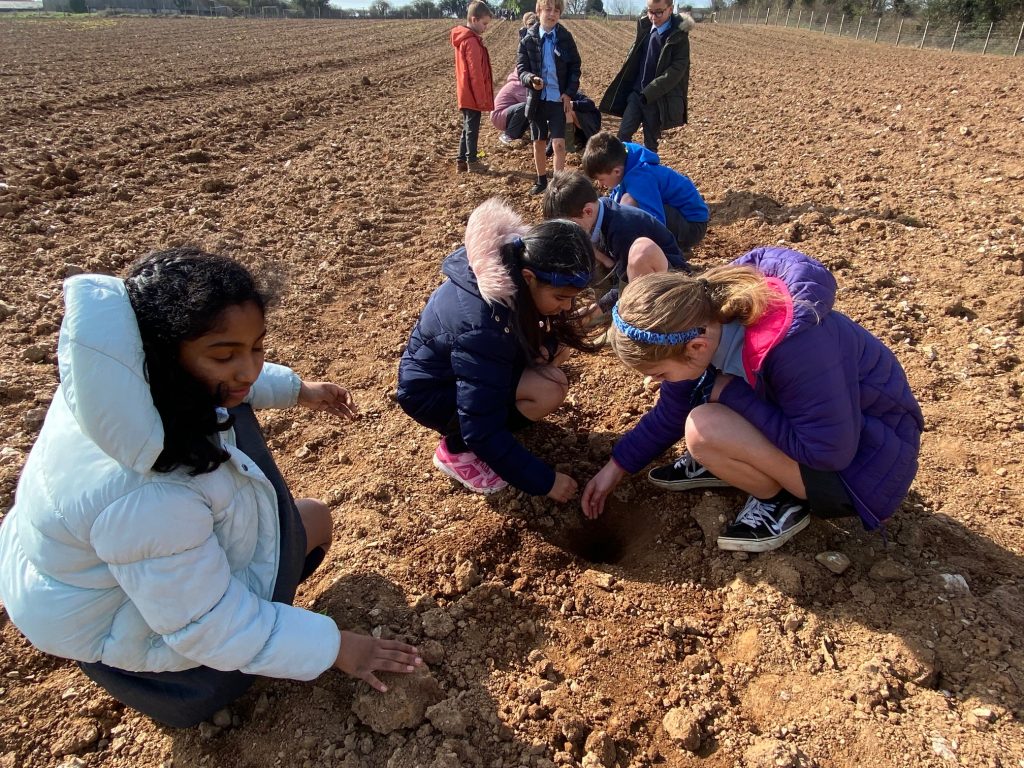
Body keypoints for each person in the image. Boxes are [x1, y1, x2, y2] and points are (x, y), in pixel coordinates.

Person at [0, 250, 422, 728]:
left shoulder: (117, 388)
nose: (248, 371)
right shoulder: (147, 494)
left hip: (95, 584)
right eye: (225, 356)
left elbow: (233, 372)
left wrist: (298, 390)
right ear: (163, 352)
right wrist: (338, 647)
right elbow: (209, 629)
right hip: (117, 627)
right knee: (231, 663)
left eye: (257, 348)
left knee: (311, 518)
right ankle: (173, 691)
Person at [582, 247, 923, 553]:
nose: (655, 383)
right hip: (829, 433)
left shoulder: (796, 349)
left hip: (862, 472)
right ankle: (733, 457)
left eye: (661, 375)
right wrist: (618, 466)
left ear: (696, 349)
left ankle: (779, 502)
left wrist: (730, 393)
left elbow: (828, 452)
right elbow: (673, 409)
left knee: (705, 428)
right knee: (701, 412)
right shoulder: (701, 320)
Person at [397, 198, 595, 501]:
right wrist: (544, 481)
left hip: (469, 370)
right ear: (529, 278)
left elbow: (526, 334)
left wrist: (548, 346)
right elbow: (479, 425)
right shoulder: (482, 324)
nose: (566, 307)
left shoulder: (514, 271)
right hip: (432, 392)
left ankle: (503, 430)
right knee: (550, 386)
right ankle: (456, 452)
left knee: (555, 355)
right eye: (560, 298)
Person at [542, 170, 688, 314]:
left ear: (587, 211)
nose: (568, 233)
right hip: (624, 266)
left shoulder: (622, 230)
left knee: (623, 298)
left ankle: (628, 317)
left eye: (571, 225)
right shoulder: (600, 209)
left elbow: (626, 285)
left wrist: (592, 313)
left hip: (671, 280)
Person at [583, 131, 708, 255]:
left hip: (693, 225)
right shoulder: (625, 155)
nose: (600, 184)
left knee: (628, 203)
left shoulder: (640, 179)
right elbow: (616, 196)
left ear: (616, 171)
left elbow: (655, 221)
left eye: (601, 179)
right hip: (678, 215)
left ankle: (673, 251)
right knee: (623, 205)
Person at [599, 2, 694, 153]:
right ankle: (625, 173)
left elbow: (675, 72)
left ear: (670, 10)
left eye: (658, 12)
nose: (653, 16)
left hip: (656, 100)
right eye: (650, 11)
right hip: (636, 95)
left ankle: (649, 174)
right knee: (622, 137)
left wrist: (650, 92)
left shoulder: (678, 37)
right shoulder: (645, 28)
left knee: (650, 144)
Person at [516, 0, 582, 195]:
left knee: (559, 144)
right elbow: (521, 69)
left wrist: (569, 92)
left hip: (558, 100)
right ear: (538, 11)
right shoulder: (528, 39)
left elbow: (575, 67)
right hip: (537, 100)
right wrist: (531, 79)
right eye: (548, 9)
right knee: (538, 141)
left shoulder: (565, 38)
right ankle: (541, 180)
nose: (552, 14)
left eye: (556, 10)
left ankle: (558, 185)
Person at [452, 1, 495, 173]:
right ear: (474, 19)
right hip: (472, 93)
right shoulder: (470, 42)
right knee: (472, 129)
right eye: (484, 23)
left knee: (467, 127)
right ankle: (472, 162)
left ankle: (461, 161)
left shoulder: (467, 39)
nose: (485, 27)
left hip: (467, 93)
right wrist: (481, 97)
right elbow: (475, 73)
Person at [492, 70, 530, 145]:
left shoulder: (519, 84)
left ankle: (517, 134)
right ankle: (508, 135)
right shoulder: (516, 85)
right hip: (499, 116)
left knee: (528, 110)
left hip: (506, 114)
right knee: (526, 106)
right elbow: (530, 103)